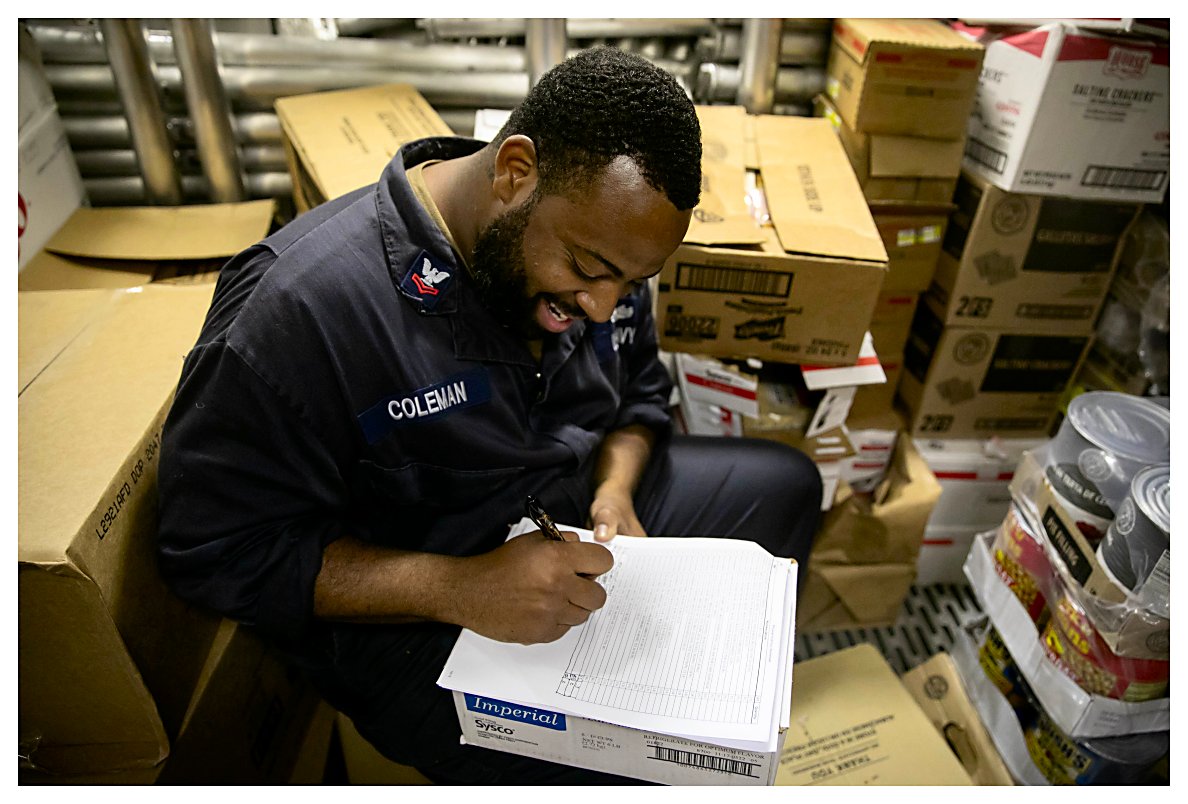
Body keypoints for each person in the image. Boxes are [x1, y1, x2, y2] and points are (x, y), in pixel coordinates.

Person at [157, 47, 822, 785]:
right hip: (425, 610)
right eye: (590, 270)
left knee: (786, 487)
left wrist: (615, 490)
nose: (603, 306)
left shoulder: (603, 243)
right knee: (654, 765)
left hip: (572, 512)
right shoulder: (300, 311)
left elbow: (638, 393)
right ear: (515, 171)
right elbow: (216, 552)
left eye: (633, 282)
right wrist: (460, 588)